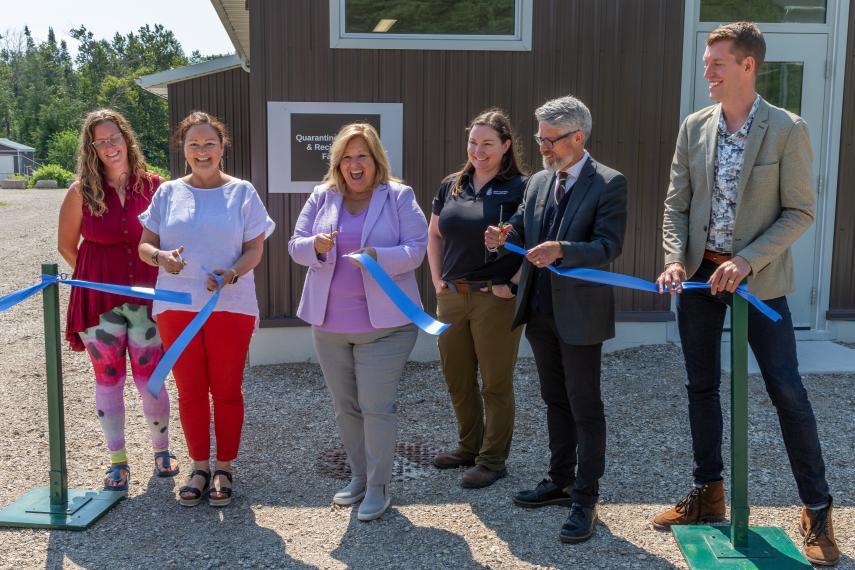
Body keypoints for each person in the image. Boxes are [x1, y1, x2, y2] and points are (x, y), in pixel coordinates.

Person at [653, 22, 837, 566]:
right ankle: (709, 494)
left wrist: (746, 259)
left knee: (787, 390)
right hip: (697, 281)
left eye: (717, 63)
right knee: (700, 387)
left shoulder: (786, 129)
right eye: (707, 62)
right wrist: (671, 258)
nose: (706, 71)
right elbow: (675, 205)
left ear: (748, 66)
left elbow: (799, 211)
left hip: (759, 284)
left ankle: (818, 509)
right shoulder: (695, 126)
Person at [485, 95, 627, 544]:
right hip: (540, 309)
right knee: (554, 398)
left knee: (585, 404)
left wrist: (563, 249)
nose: (542, 147)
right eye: (540, 138)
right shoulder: (539, 182)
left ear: (577, 137)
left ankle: (586, 497)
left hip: (580, 313)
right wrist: (503, 237)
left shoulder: (608, 183)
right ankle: (560, 480)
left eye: (550, 140)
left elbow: (609, 246)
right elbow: (526, 230)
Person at [289, 123, 427, 521]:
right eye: (346, 157)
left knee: (376, 407)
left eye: (361, 156)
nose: (354, 164)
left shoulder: (398, 196)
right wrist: (314, 246)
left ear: (375, 160)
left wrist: (379, 256)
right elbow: (294, 245)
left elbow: (416, 249)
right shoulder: (323, 195)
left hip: (385, 327)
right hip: (329, 324)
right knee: (345, 408)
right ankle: (359, 478)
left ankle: (379, 488)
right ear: (338, 162)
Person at [138, 111, 275, 508]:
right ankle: (199, 466)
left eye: (209, 143)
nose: (202, 151)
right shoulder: (167, 192)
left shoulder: (242, 192)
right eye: (194, 144)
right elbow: (146, 245)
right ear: (183, 149)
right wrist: (161, 256)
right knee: (191, 390)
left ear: (222, 147)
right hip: (176, 306)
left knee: (227, 390)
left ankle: (225, 467)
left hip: (230, 305)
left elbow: (255, 249)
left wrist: (232, 272)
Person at [58, 108, 178, 492]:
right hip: (99, 302)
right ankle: (118, 461)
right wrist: (100, 280)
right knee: (108, 378)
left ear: (127, 139)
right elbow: (66, 246)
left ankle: (162, 450)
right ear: (91, 148)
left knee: (152, 379)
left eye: (114, 138)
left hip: (148, 298)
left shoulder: (156, 187)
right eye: (101, 141)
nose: (109, 147)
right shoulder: (80, 191)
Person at [427, 109, 527, 488]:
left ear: (505, 146)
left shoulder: (522, 187)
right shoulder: (451, 185)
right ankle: (468, 447)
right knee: (457, 378)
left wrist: (513, 283)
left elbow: (536, 243)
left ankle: (492, 459)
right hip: (452, 297)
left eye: (487, 143)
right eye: (473, 142)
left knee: (495, 383)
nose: (478, 150)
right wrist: (437, 278)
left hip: (495, 299)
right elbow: (434, 234)